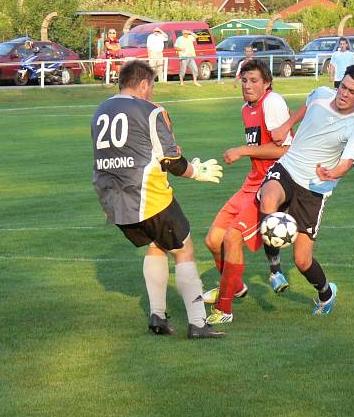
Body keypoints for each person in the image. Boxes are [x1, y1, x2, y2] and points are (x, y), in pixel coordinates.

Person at [91, 60, 225, 339]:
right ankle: (199, 323)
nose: (152, 92)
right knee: (184, 250)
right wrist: (196, 172)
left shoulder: (100, 110)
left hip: (113, 200)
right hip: (148, 196)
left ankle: (157, 316)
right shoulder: (150, 111)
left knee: (156, 246)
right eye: (151, 86)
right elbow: (172, 160)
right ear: (142, 84)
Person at [261, 64, 354, 316]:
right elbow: (307, 106)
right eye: (343, 86)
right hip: (288, 167)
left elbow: (348, 162)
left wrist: (333, 173)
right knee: (268, 200)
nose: (344, 94)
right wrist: (286, 126)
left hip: (314, 188)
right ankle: (275, 270)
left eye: (352, 91)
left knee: (302, 260)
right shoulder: (322, 94)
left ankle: (326, 293)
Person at [204, 59, 293, 325]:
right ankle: (235, 286)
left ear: (267, 83)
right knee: (213, 240)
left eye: (254, 80)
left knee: (231, 238)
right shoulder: (246, 108)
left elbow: (285, 150)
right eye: (244, 80)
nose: (248, 85)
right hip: (251, 182)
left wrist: (241, 150)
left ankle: (225, 308)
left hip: (272, 185)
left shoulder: (272, 102)